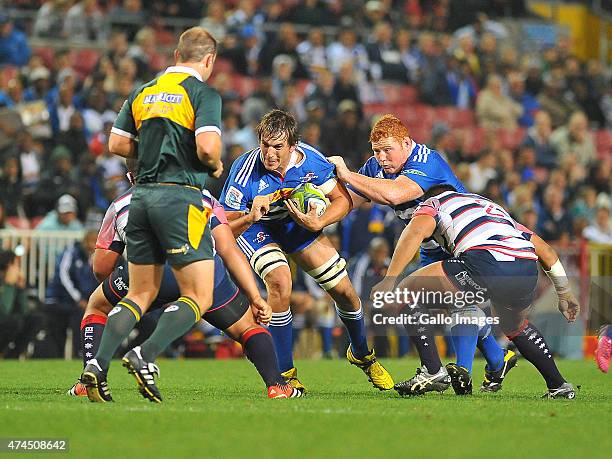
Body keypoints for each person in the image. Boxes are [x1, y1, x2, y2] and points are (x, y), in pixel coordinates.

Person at [80, 27, 226, 401]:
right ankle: (145, 353)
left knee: (140, 292)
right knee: (199, 294)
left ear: (177, 55)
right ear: (208, 60)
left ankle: (96, 366)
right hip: (180, 198)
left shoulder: (144, 91)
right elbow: (207, 147)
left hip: (140, 197)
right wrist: (214, 164)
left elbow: (116, 143)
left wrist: (153, 148)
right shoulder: (201, 93)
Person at [329, 114, 514, 394]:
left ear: (406, 143)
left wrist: (345, 173)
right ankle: (496, 359)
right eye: (376, 151)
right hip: (430, 245)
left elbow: (395, 195)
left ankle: (447, 372)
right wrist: (321, 214)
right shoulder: (375, 166)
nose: (381, 157)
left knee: (435, 301)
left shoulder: (428, 160)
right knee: (441, 305)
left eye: (387, 149)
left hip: (458, 242)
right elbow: (355, 198)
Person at [71, 179, 297, 401]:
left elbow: (101, 268)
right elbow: (228, 249)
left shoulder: (121, 203)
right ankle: (276, 385)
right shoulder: (203, 197)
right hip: (201, 272)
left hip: (147, 271)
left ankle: (89, 376)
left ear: (133, 175)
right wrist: (255, 296)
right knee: (247, 328)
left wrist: (122, 281)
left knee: (98, 305)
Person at [221, 109, 393, 393]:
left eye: (278, 147)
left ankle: (362, 353)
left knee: (345, 292)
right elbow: (223, 220)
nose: (270, 153)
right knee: (280, 279)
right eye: (265, 144)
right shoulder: (245, 168)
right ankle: (286, 373)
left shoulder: (312, 162)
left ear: (293, 146)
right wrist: (250, 215)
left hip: (298, 225)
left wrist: (320, 221)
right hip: (258, 227)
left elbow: (341, 200)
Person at [372, 186, 579, 399]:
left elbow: (415, 231)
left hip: (485, 261)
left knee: (406, 290)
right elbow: (546, 251)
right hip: (525, 268)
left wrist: (390, 279)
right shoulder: (493, 209)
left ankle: (432, 371)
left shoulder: (435, 202)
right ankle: (559, 385)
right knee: (513, 325)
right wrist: (565, 293)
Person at [45, 231, 98, 358]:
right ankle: (56, 358)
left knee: (81, 322)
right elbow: (64, 276)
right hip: (58, 299)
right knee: (58, 333)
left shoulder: (95, 257)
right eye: (91, 241)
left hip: (76, 303)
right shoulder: (71, 252)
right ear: (85, 241)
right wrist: (78, 298)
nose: (93, 245)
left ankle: (79, 355)